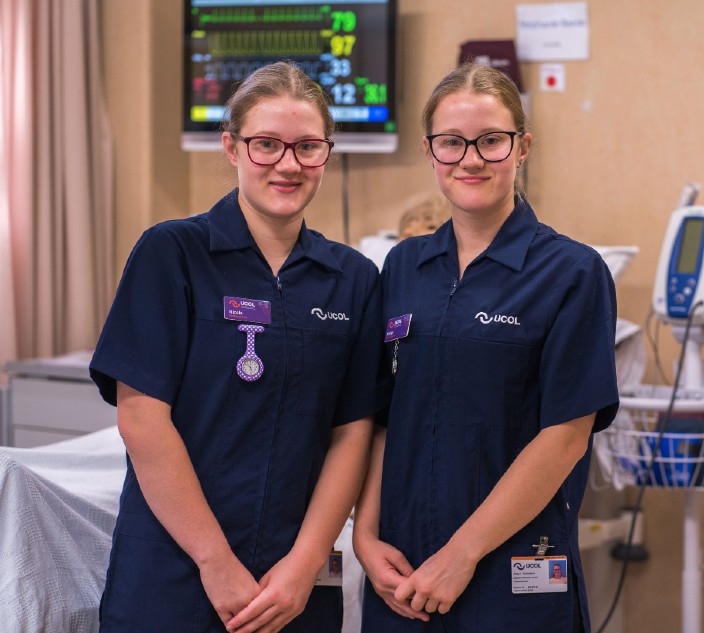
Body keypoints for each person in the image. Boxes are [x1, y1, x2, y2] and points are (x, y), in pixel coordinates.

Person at [89, 61, 387, 633]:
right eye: (266, 145)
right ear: (232, 147)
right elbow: (142, 419)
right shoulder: (172, 253)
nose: (288, 164)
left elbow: (353, 431)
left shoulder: (352, 279)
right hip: (174, 572)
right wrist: (215, 561)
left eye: (308, 147)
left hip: (292, 586)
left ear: (328, 152)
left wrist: (304, 563)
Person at [353, 62, 619, 632]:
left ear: (522, 148)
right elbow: (383, 418)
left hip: (510, 576)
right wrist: (365, 534)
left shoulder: (571, 273)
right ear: (430, 152)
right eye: (452, 142)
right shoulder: (403, 266)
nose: (470, 158)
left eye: (491, 140)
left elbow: (566, 435)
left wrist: (461, 554)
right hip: (401, 573)